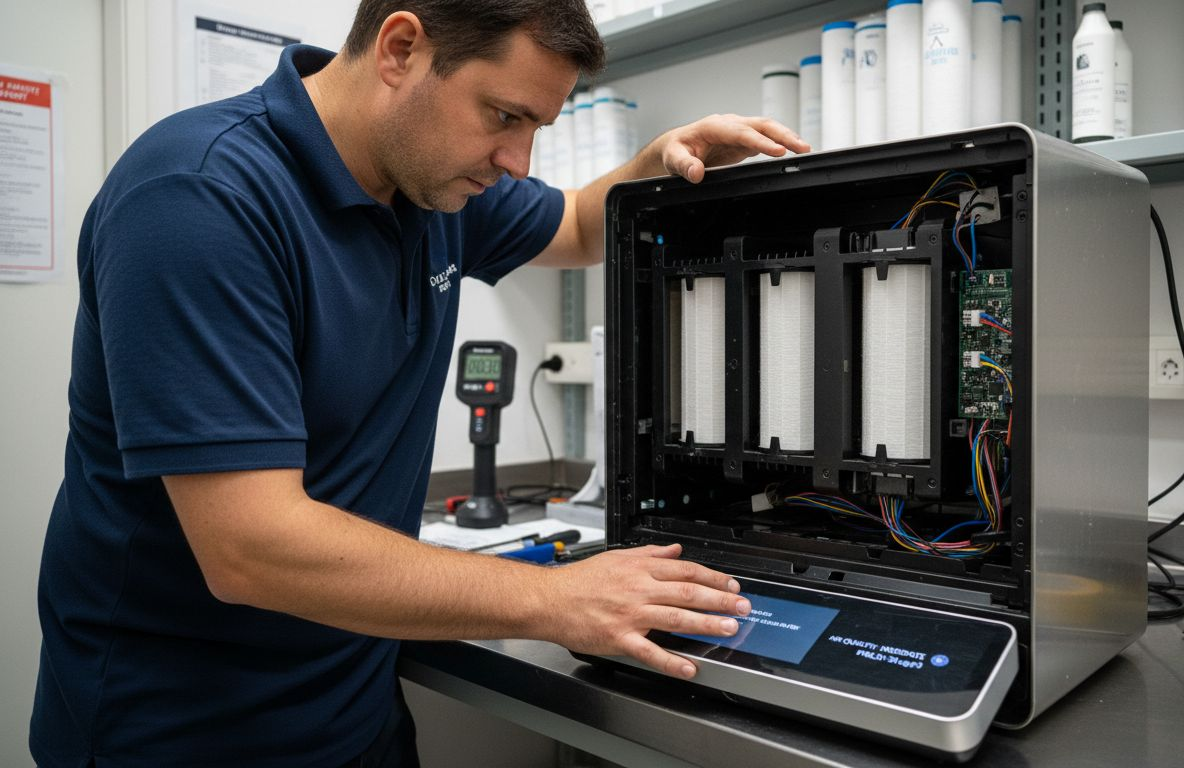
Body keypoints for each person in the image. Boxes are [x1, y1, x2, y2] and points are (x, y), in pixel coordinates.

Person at [29, 1, 810, 765]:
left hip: (353, 708)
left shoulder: (430, 184)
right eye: (505, 116)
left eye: (538, 128)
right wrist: (558, 598)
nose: (518, 162)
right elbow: (250, 547)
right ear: (400, 49)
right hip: (180, 729)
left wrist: (657, 161)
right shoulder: (199, 199)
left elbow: (574, 223)